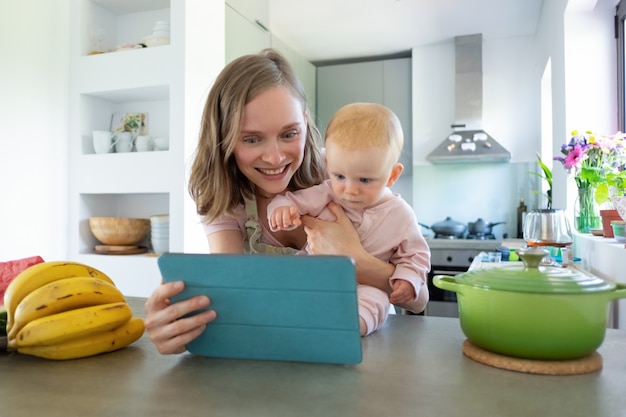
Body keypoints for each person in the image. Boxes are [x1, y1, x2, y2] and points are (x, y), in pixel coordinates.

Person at [144, 49, 429, 354]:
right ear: (224, 138)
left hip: (369, 346)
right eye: (251, 139)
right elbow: (233, 294)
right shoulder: (229, 201)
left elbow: (419, 299)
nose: (275, 157)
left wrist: (357, 260)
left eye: (289, 134)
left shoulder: (342, 171)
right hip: (288, 347)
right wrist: (181, 323)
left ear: (305, 123)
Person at [268, 102, 430, 336]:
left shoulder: (402, 215)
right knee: (287, 283)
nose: (349, 190)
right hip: (313, 275)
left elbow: (416, 257)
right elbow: (291, 200)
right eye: (340, 176)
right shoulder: (326, 191)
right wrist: (282, 208)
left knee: (375, 301)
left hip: (364, 287)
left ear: (392, 175)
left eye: (365, 180)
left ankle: (346, 332)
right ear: (328, 165)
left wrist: (409, 280)